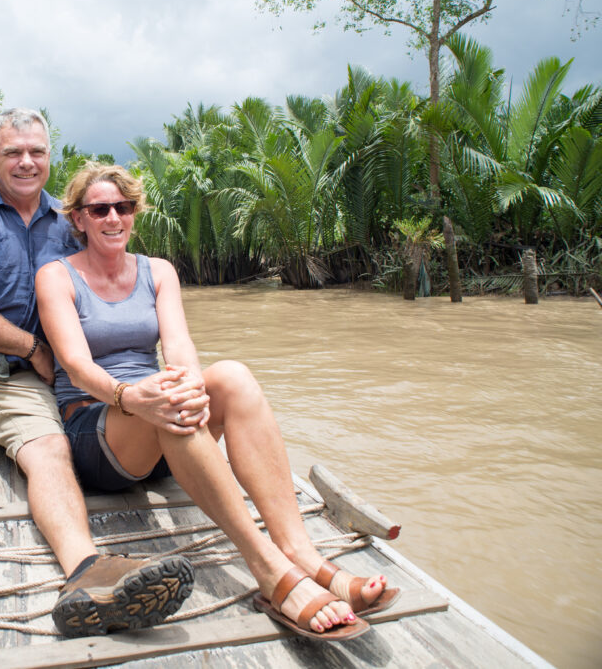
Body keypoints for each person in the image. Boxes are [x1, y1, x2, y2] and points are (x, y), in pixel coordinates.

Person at [35, 162, 399, 641]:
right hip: (99, 428)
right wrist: (133, 397)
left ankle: (301, 553)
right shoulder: (56, 276)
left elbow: (179, 345)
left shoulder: (157, 271)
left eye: (123, 207)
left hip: (164, 424)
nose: (113, 218)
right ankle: (268, 569)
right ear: (79, 219)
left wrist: (182, 383)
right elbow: (77, 366)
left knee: (232, 377)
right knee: (169, 406)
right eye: (99, 209)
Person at [0, 110, 192, 638]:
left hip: (19, 375)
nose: (26, 162)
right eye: (13, 152)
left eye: (37, 152)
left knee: (49, 449)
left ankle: (86, 569)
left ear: (49, 158)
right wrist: (36, 348)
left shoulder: (69, 225)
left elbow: (92, 288)